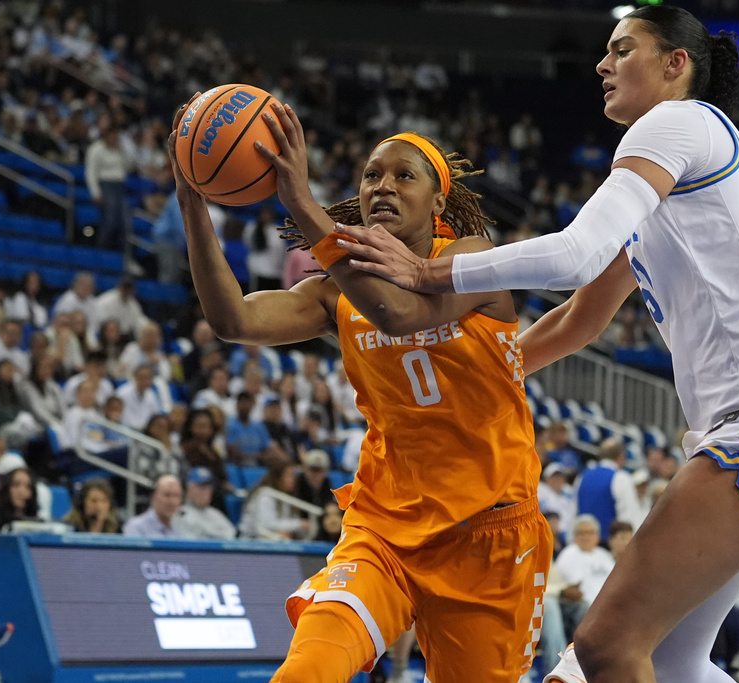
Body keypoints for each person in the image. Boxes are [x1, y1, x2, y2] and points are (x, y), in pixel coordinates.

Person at [334, 7, 739, 683]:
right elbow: (582, 317)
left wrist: (426, 271)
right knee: (664, 660)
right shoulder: (671, 179)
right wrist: (483, 375)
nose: (603, 65)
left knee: (609, 649)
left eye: (622, 49)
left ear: (675, 65)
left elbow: (576, 254)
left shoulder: (677, 122)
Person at [170, 95, 549, 681]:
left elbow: (398, 313)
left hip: (488, 534)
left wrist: (301, 201)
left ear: (438, 200)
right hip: (384, 527)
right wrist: (194, 205)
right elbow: (233, 321)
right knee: (307, 670)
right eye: (372, 174)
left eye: (404, 175)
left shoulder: (475, 260)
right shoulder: (335, 291)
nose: (383, 186)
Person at [173, 467, 236, 540]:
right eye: (201, 487)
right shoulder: (181, 513)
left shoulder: (216, 514)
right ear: (189, 490)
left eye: (207, 487)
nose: (205, 492)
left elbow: (233, 536)